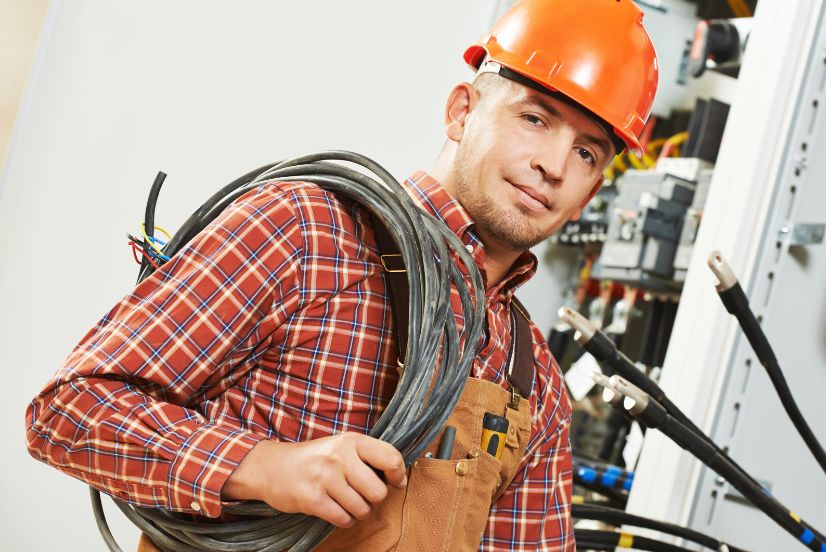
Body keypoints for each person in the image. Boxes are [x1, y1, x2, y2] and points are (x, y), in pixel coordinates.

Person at [24, 0, 658, 550]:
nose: (552, 164)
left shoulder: (535, 381)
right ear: (463, 111)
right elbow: (69, 411)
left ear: (591, 189)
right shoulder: (305, 233)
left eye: (585, 152)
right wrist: (260, 466)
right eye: (535, 117)